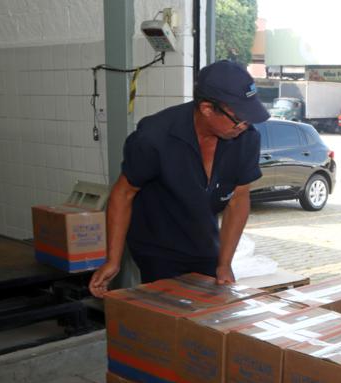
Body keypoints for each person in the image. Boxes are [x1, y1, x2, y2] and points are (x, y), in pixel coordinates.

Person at [88, 60, 269, 297]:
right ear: (206, 108)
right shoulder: (154, 137)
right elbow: (123, 194)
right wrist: (113, 260)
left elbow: (239, 198)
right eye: (239, 119)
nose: (244, 126)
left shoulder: (246, 139)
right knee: (167, 316)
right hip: (157, 246)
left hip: (204, 242)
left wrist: (224, 263)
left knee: (209, 315)